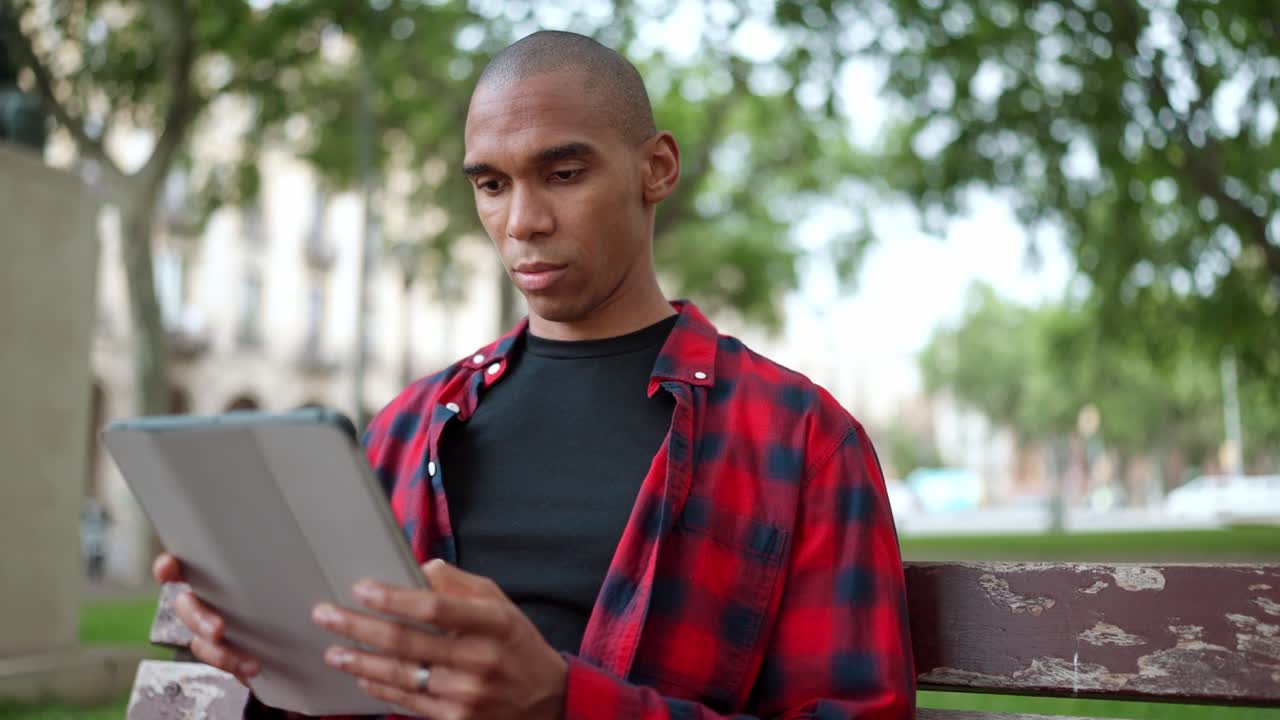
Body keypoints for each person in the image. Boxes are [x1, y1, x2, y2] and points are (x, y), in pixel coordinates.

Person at [154, 30, 915, 719]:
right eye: (491, 185)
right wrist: (264, 663)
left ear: (657, 169)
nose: (522, 222)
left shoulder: (802, 441)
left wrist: (560, 702)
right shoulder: (408, 426)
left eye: (563, 173)